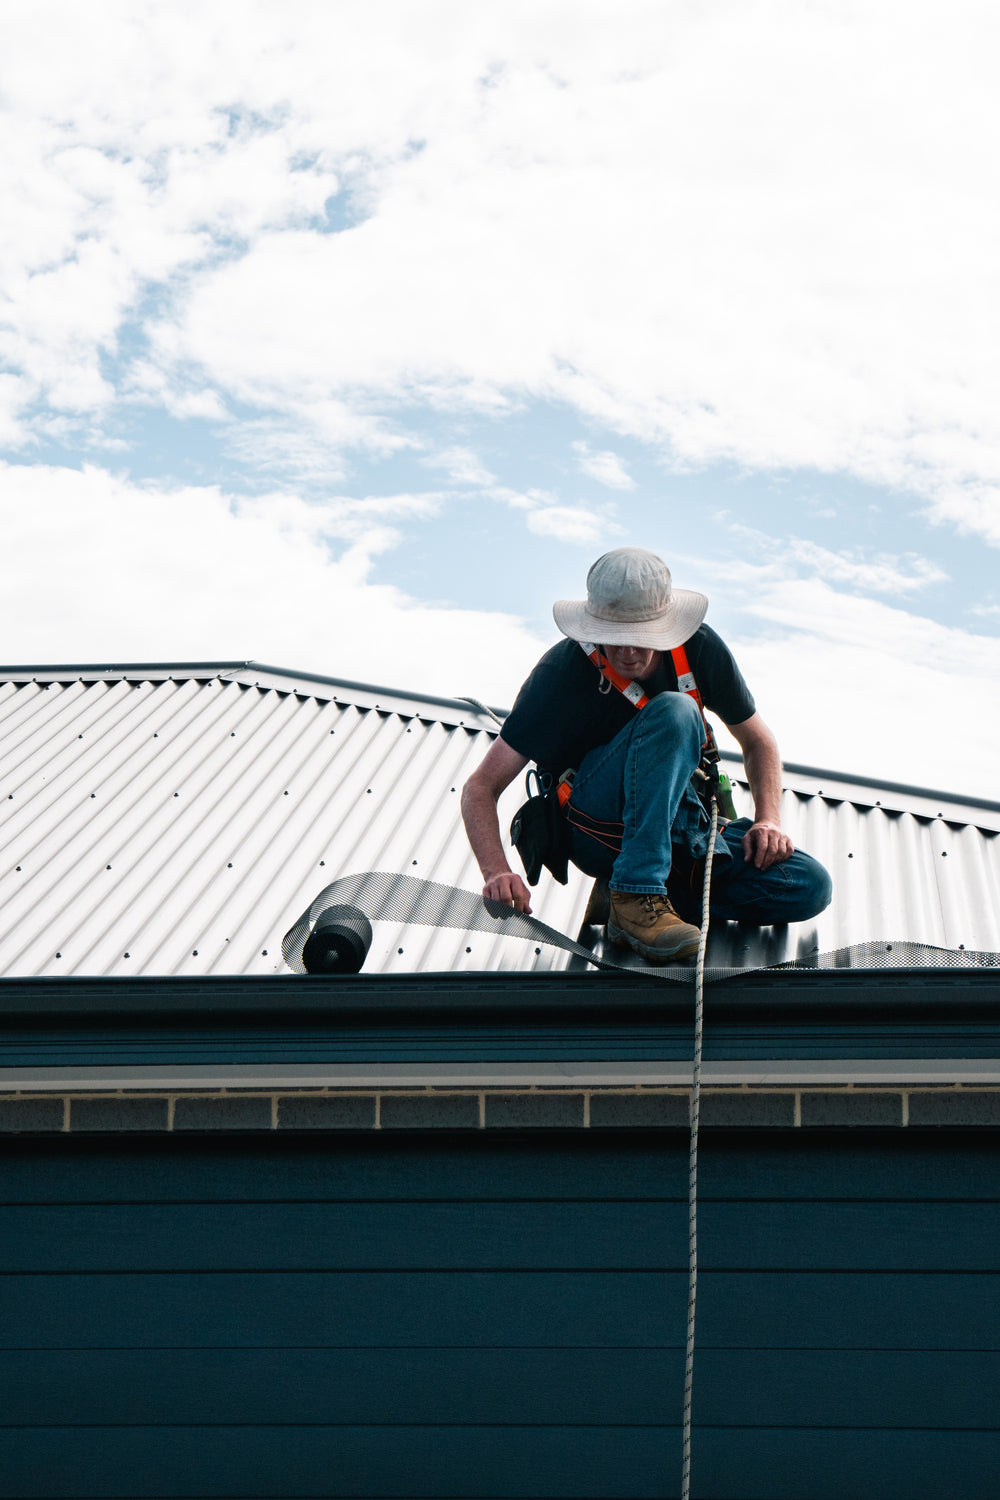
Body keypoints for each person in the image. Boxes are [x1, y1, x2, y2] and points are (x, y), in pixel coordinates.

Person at [461, 547, 832, 963]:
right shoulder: (561, 673)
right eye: (614, 638)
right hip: (596, 826)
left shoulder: (700, 650)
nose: (628, 653)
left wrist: (768, 819)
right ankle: (636, 892)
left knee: (807, 884)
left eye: (642, 638)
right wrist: (495, 870)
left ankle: (649, 902)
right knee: (677, 711)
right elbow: (480, 787)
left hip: (681, 833)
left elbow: (759, 742)